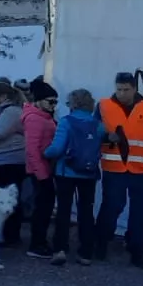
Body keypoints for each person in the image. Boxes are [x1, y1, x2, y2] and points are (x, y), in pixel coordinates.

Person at [94, 72, 143, 269]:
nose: (122, 93)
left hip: (142, 169)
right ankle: (100, 245)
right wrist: (105, 135)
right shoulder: (103, 105)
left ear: (135, 88)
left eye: (126, 89)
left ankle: (137, 251)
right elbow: (93, 128)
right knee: (111, 208)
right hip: (114, 168)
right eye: (119, 89)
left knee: (140, 213)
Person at [46, 89, 105, 266]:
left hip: (67, 172)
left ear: (73, 103)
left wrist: (45, 153)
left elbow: (56, 149)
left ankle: (60, 249)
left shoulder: (66, 122)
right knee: (86, 211)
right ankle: (86, 252)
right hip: (89, 173)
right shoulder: (98, 124)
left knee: (63, 210)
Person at [0, 81, 27, 247]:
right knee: (0, 200)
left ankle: (10, 235)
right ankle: (3, 233)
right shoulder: (0, 110)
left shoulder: (11, 112)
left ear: (1, 96)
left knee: (8, 200)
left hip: (9, 161)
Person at [22, 79, 60, 258]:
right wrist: (41, 174)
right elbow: (32, 150)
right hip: (40, 171)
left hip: (45, 169)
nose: (53, 105)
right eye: (50, 101)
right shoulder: (35, 119)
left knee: (44, 207)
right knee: (42, 208)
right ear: (39, 100)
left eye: (55, 101)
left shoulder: (44, 116)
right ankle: (37, 244)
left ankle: (40, 242)